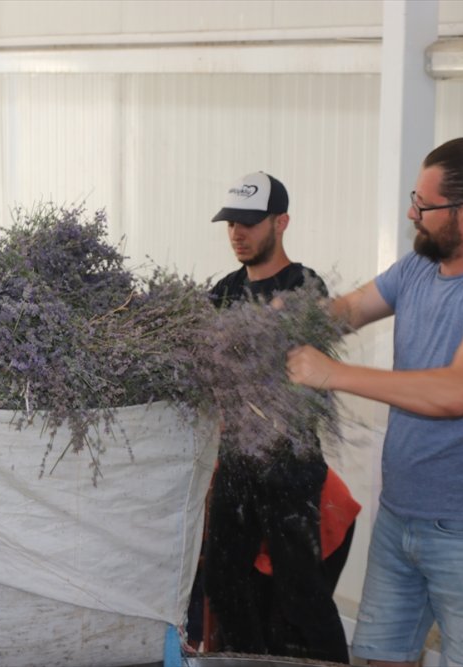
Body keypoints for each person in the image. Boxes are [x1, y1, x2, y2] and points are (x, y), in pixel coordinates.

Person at [286, 137, 463, 667]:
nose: (412, 213)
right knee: (381, 658)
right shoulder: (417, 269)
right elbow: (347, 310)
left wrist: (333, 373)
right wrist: (275, 322)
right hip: (401, 517)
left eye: (423, 205)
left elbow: (457, 392)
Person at [196, 171, 360, 662]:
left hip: (290, 464)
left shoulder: (305, 286)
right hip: (236, 463)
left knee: (301, 593)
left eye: (248, 222)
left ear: (281, 222)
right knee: (223, 582)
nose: (237, 233)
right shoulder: (224, 291)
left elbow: (293, 358)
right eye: (230, 224)